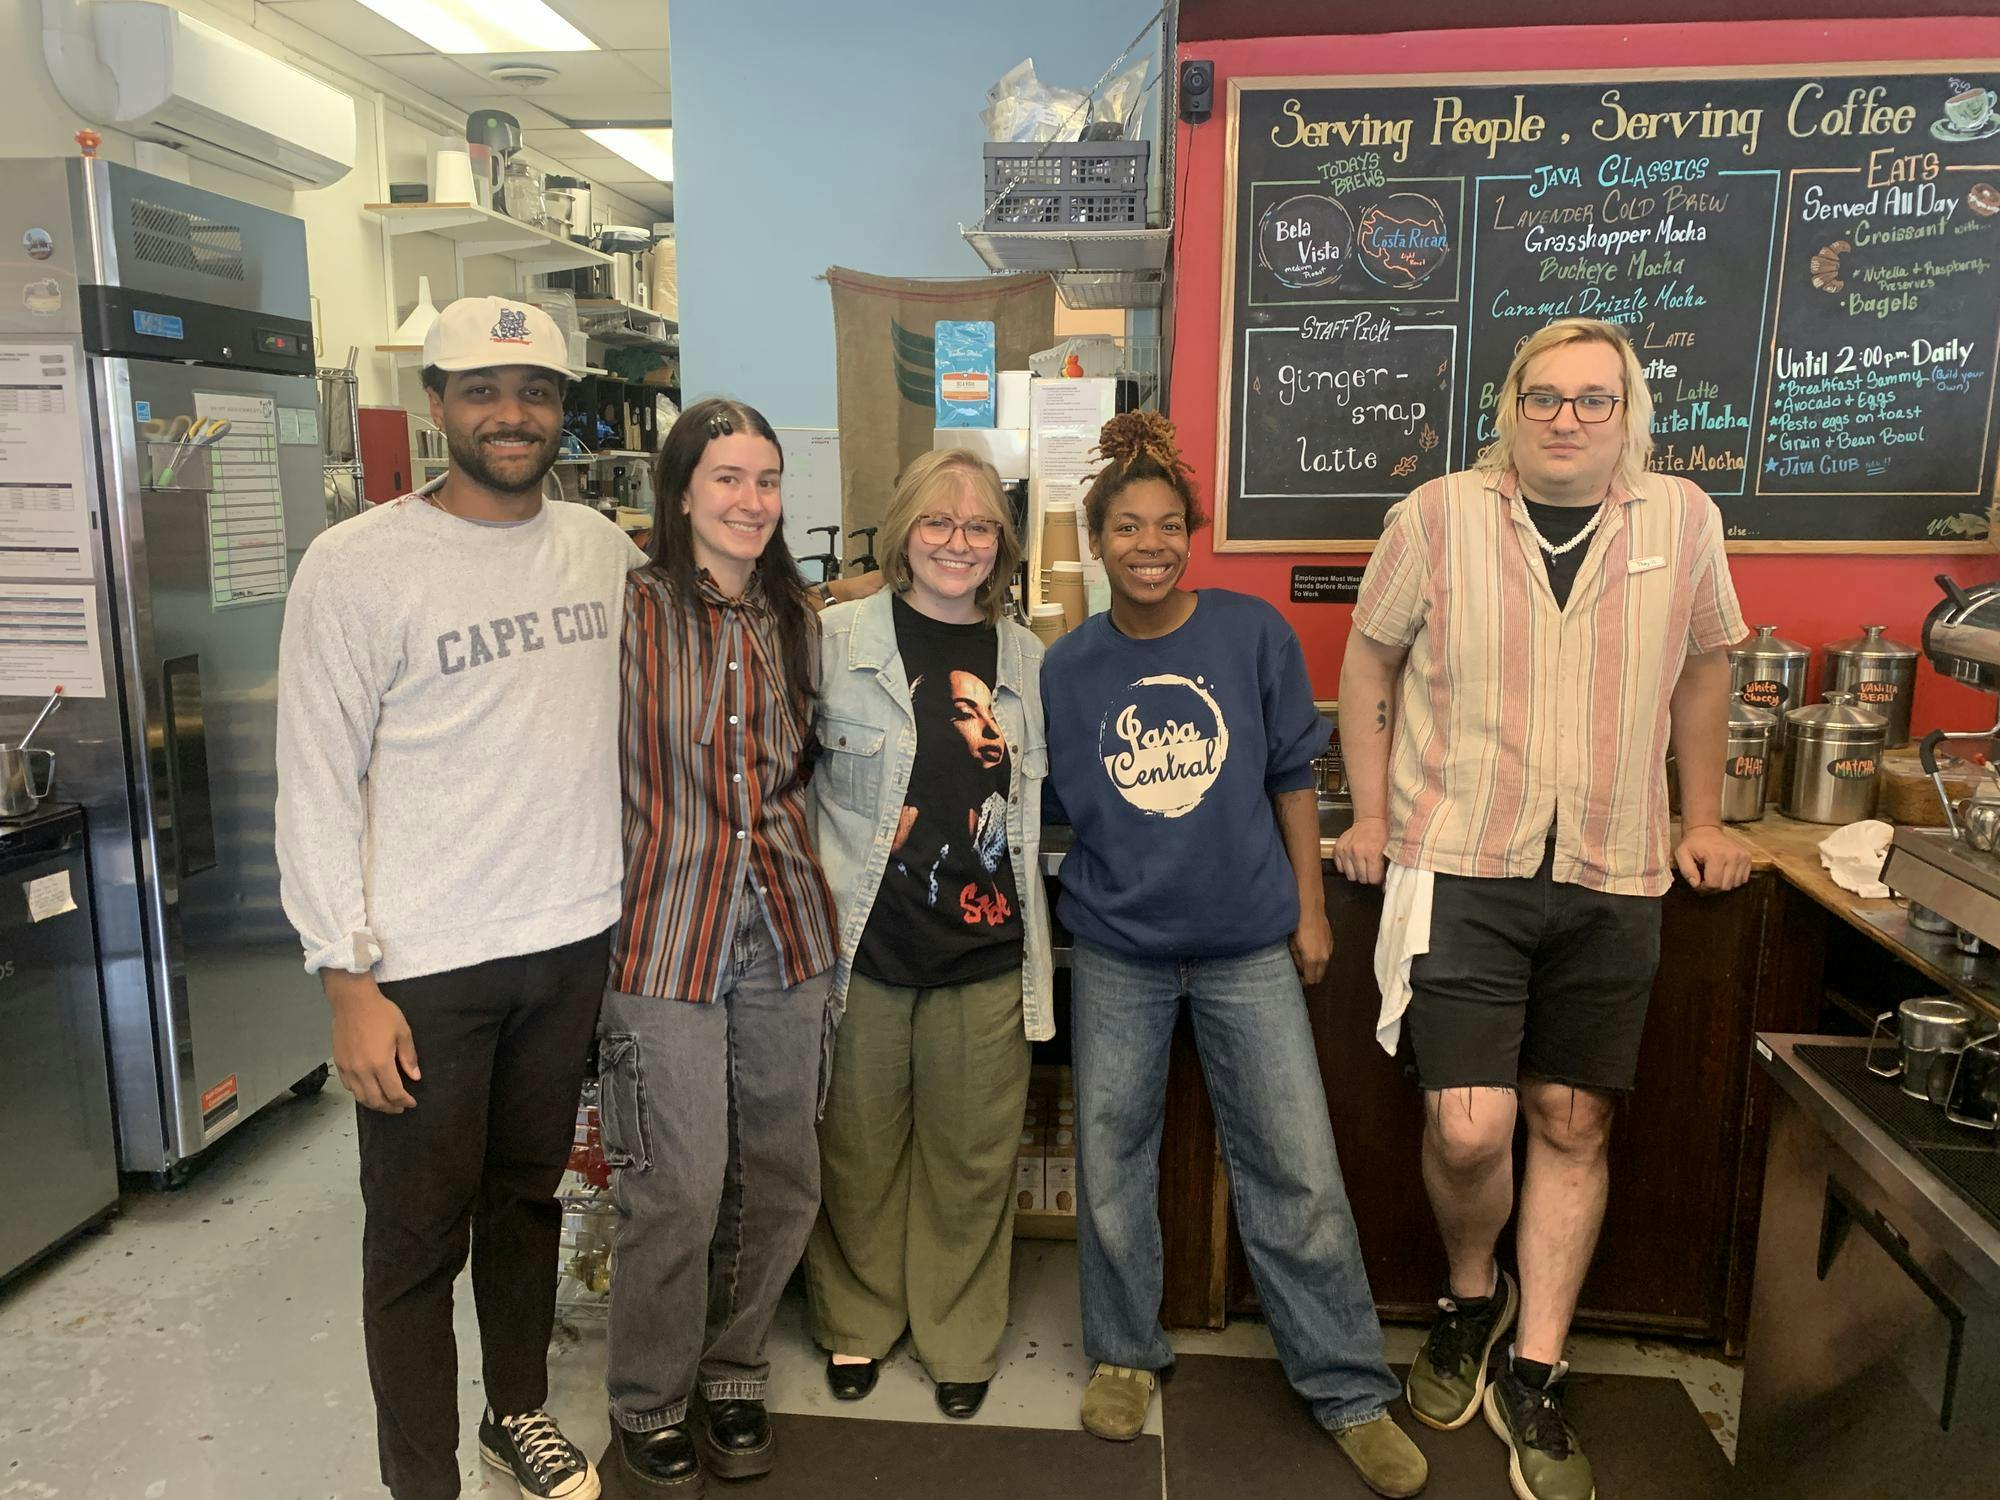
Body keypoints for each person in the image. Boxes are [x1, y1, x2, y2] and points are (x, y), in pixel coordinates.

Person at [1334, 316, 1750, 1500]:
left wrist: (1700, 816)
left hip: (1614, 870)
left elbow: (1709, 663)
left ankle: (1535, 1366)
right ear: (1507, 407)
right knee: (1468, 1126)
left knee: (1571, 1121)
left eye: (1592, 400)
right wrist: (1366, 814)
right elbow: (1368, 660)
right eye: (1544, 397)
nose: (1566, 418)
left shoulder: (1681, 522)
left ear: (1628, 416)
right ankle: (1472, 1296)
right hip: (1461, 856)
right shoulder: (1436, 518)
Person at [276, 296, 642, 1500]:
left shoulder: (600, 547)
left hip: (568, 941)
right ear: (435, 406)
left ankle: (516, 1413)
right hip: (422, 963)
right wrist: (346, 977)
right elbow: (316, 780)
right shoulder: (357, 565)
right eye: (481, 390)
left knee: (526, 1203)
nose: (510, 413)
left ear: (561, 410)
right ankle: (418, 1476)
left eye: (533, 391)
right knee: (415, 1238)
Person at [1043, 412, 1429, 1498]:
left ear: (1190, 536)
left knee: (1294, 1168)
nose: (1149, 543)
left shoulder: (1250, 634)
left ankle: (1349, 1388)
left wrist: (1307, 910)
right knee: (1110, 1163)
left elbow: (1289, 781)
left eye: (1168, 525)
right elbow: (1069, 803)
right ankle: (1125, 1351)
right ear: (1099, 540)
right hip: (1117, 949)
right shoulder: (1066, 668)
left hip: (1247, 945)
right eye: (1127, 527)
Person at [597, 398, 839, 1496]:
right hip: (663, 935)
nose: (750, 501)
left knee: (783, 1170)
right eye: (727, 477)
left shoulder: (799, 618)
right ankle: (648, 1395)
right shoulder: (626, 608)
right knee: (679, 1182)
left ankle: (733, 1363)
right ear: (682, 490)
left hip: (785, 930)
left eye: (767, 480)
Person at [806, 449, 1053, 1419]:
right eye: (938, 523)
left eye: (979, 526)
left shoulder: (1026, 658)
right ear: (903, 530)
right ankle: (857, 1324)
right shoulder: (834, 638)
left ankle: (957, 1336)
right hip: (861, 947)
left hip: (985, 954)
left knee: (970, 1161)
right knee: (856, 1153)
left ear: (1001, 546)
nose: (958, 542)